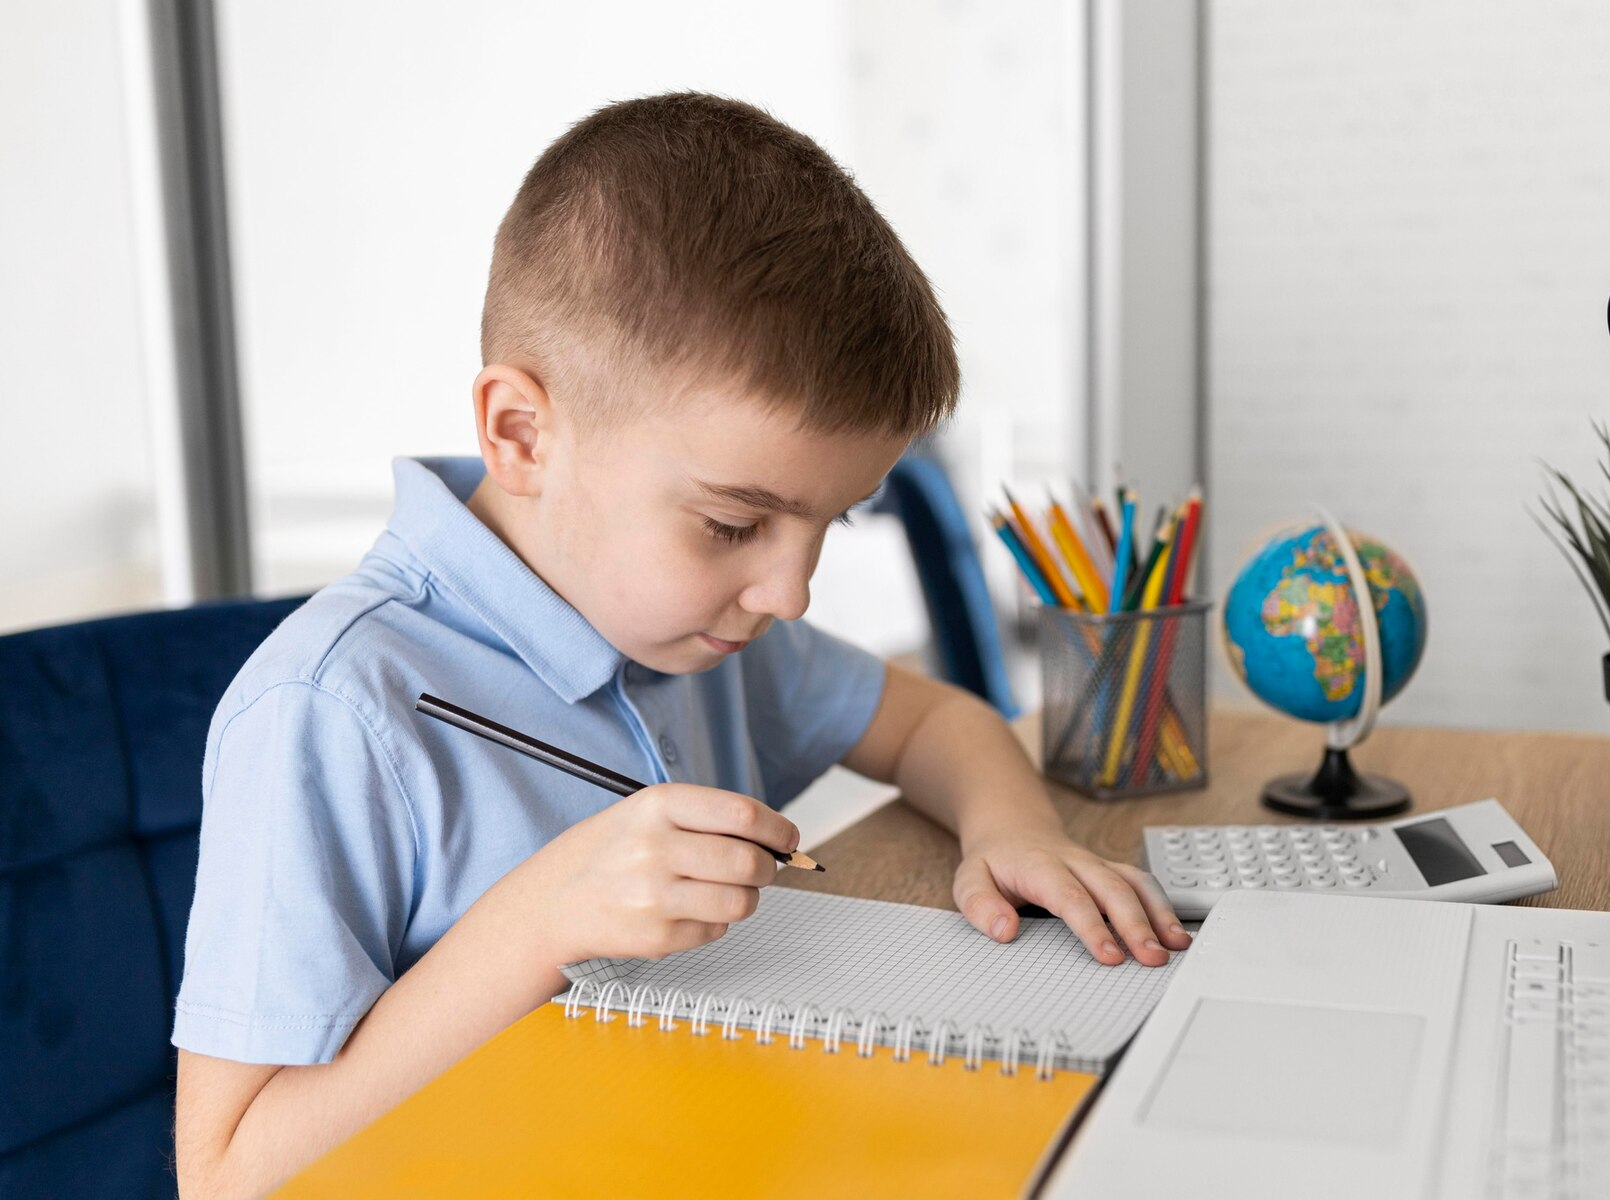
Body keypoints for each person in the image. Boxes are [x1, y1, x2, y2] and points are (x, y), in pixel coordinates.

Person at [172, 92, 1190, 1198]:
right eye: (733, 524)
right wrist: (533, 928)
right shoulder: (327, 711)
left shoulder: (696, 625)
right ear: (521, 433)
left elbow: (934, 718)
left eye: (830, 522)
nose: (790, 591)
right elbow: (225, 1173)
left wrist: (1011, 826)